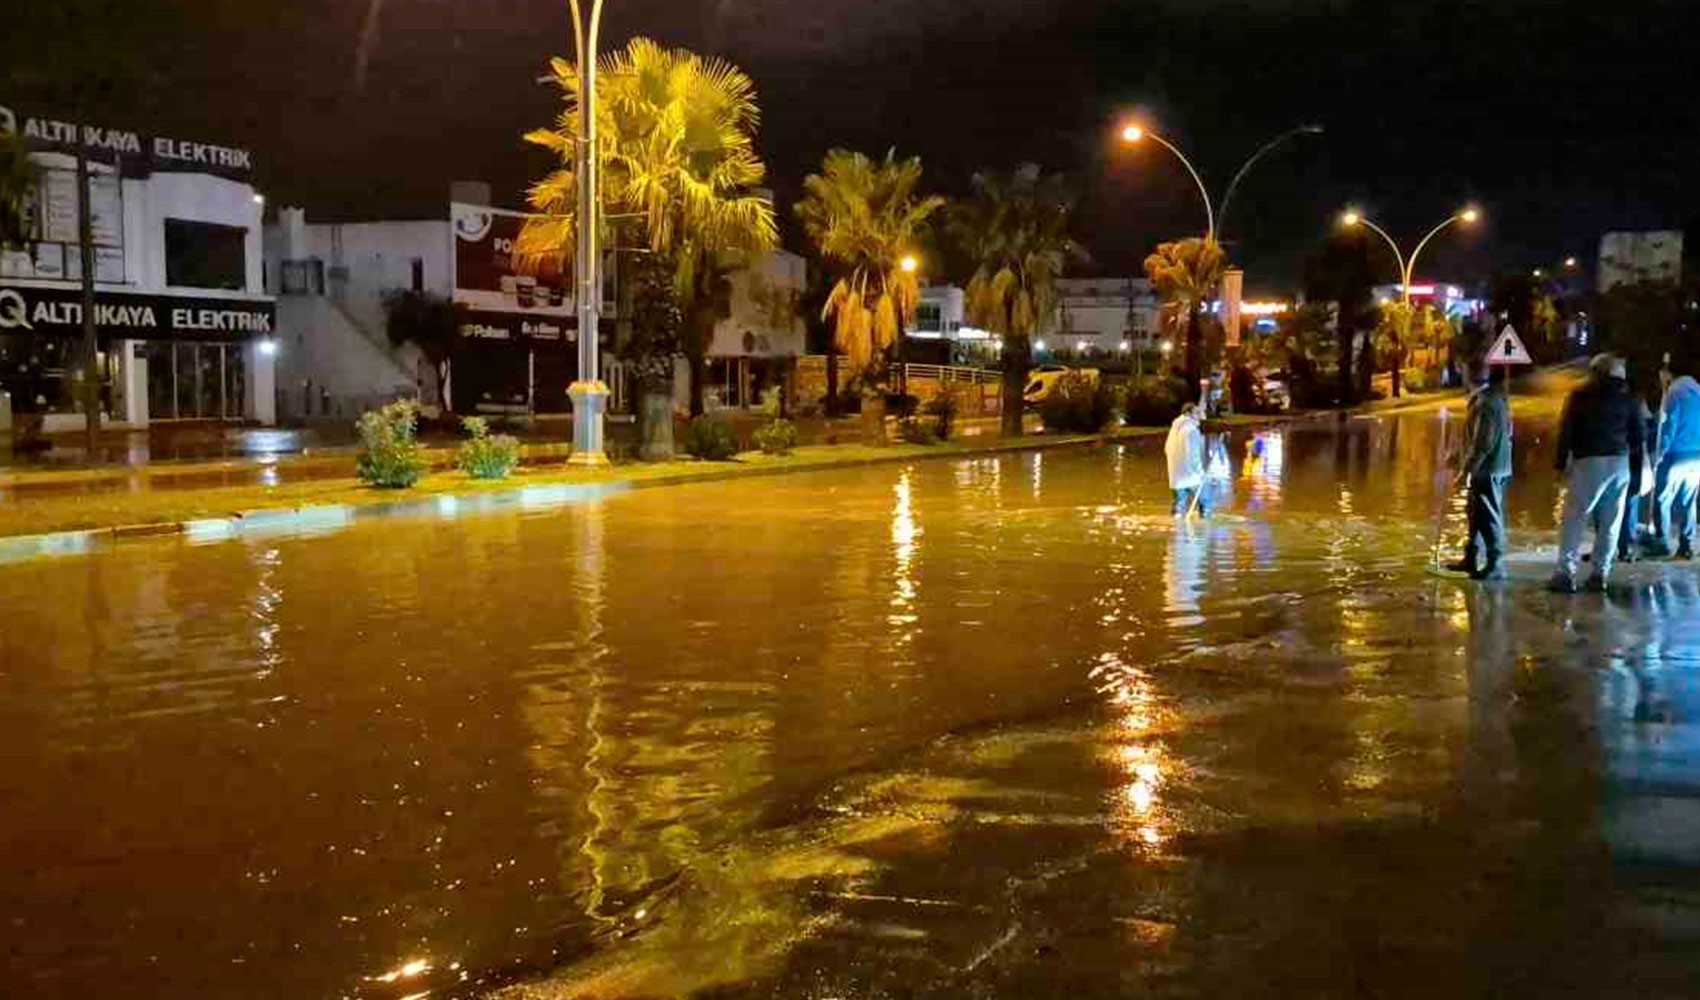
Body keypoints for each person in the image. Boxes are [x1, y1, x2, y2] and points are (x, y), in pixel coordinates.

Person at [1550, 354, 1646, 593]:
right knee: (1611, 522)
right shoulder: (1630, 398)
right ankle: (1600, 574)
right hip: (1620, 463)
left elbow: (1566, 432)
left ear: (1595, 372)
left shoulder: (1579, 396)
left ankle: (1565, 574)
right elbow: (1639, 438)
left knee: (1574, 518)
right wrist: (1636, 474)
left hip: (1588, 461)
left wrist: (1560, 466)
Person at [1447, 363, 1513, 580]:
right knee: (1475, 514)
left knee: (1489, 515)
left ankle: (1495, 562)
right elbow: (1478, 437)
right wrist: (1458, 456)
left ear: (1470, 377)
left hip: (1489, 468)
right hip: (1489, 467)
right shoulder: (1488, 399)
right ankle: (1471, 557)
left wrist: (1466, 470)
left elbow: (1483, 442)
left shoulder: (1486, 403)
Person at [1648, 354, 1700, 559]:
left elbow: (1669, 427)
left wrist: (1659, 454)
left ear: (1669, 373)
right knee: (1688, 501)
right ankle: (1686, 544)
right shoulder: (1698, 390)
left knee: (1662, 498)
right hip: (1697, 456)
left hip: (1676, 455)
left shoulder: (1674, 392)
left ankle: (1661, 541)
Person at [1166, 402, 1208, 516]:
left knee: (1178, 506)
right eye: (1197, 413)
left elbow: (1167, 448)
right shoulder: (1192, 430)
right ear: (1188, 413)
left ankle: (1176, 527)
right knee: (1205, 503)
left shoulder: (1175, 428)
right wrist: (1200, 473)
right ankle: (1203, 528)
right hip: (1190, 474)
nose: (1199, 415)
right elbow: (1193, 455)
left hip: (1175, 474)